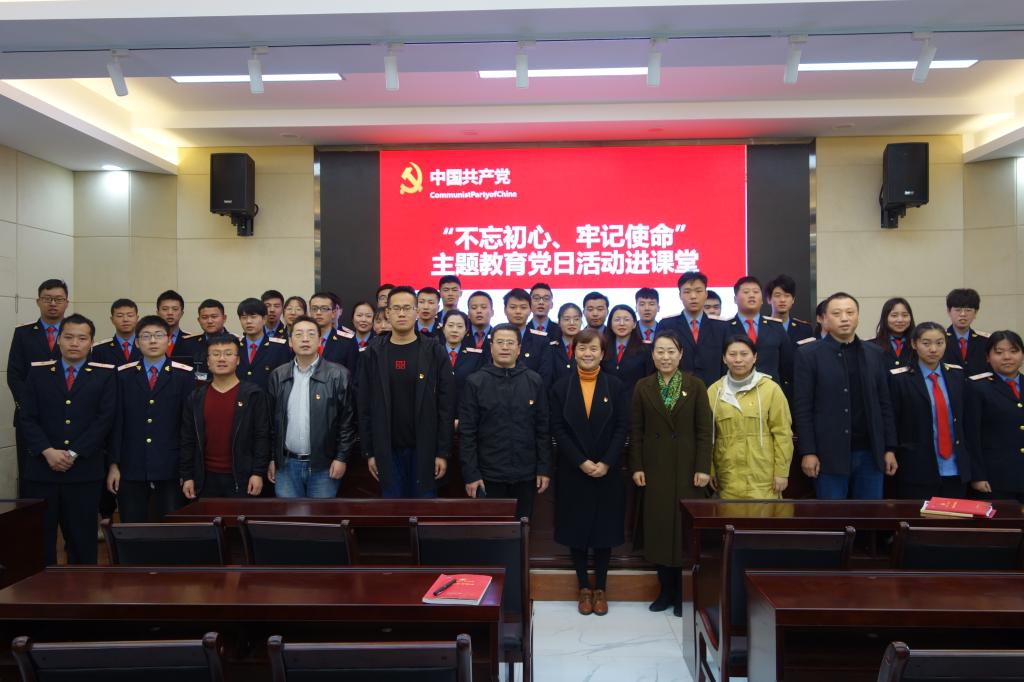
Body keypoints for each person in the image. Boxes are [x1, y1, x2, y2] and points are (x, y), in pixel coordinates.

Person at [18, 313, 116, 564]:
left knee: (83, 542)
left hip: (83, 472)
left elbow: (104, 420)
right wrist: (47, 451)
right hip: (42, 470)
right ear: (58, 339)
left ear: (91, 343)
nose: (74, 343)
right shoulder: (38, 373)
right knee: (39, 542)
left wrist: (73, 453)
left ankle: (82, 589)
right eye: (69, 337)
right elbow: (27, 417)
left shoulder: (104, 376)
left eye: (82, 338)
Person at [629, 330, 712, 616]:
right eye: (660, 351)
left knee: (683, 534)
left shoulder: (695, 385)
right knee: (660, 530)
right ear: (653, 355)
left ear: (681, 355)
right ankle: (665, 591)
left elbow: (705, 431)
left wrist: (703, 467)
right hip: (655, 468)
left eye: (671, 351)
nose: (665, 357)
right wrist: (637, 466)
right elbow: (636, 431)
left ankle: (682, 595)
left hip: (688, 469)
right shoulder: (643, 386)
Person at [549, 328, 628, 616]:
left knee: (604, 530)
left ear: (602, 353)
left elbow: (622, 427)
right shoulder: (561, 387)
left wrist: (606, 462)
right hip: (574, 469)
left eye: (593, 348)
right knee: (577, 528)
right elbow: (558, 429)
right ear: (574, 352)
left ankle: (601, 588)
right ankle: (583, 586)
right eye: (582, 348)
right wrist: (581, 461)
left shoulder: (615, 386)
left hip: (607, 470)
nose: (587, 353)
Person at [793, 292, 898, 500]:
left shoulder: (874, 353)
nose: (844, 318)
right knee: (832, 516)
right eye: (837, 313)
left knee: (869, 515)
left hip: (870, 453)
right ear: (824, 319)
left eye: (850, 312)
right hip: (828, 454)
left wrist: (889, 448)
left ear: (858, 316)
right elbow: (803, 408)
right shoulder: (808, 355)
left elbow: (885, 404)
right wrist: (808, 451)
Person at [357, 286, 454, 498]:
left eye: (407, 308)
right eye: (396, 308)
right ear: (387, 312)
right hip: (387, 449)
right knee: (393, 512)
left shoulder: (434, 351)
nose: (402, 314)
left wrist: (442, 452)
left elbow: (446, 406)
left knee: (424, 511)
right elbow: (364, 406)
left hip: (425, 449)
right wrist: (369, 452)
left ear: (417, 311)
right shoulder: (373, 353)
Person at [459, 324, 551, 518]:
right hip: (488, 475)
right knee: (491, 530)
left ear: (519, 348)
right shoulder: (475, 382)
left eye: (510, 343)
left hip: (526, 474)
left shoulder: (534, 381)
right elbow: (467, 433)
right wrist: (471, 474)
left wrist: (543, 468)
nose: (505, 347)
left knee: (522, 528)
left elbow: (542, 429)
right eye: (500, 342)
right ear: (491, 347)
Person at [108, 315, 192, 522]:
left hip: (170, 466)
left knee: (170, 527)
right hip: (131, 465)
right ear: (137, 342)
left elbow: (188, 426)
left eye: (158, 335)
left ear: (169, 340)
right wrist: (113, 465)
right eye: (146, 336)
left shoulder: (184, 376)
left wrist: (187, 470)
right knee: (132, 527)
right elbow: (116, 424)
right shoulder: (122, 376)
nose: (153, 341)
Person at [267, 316, 356, 498]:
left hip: (324, 466)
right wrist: (272, 458)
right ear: (290, 342)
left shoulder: (338, 375)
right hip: (286, 465)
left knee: (320, 515)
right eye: (299, 334)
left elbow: (347, 422)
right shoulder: (278, 375)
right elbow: (270, 423)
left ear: (320, 340)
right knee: (289, 515)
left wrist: (341, 458)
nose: (305, 339)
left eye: (311, 334)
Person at [179, 334, 270, 499]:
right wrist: (187, 475)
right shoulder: (196, 397)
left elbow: (262, 436)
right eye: (215, 354)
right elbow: (188, 439)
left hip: (242, 478)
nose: (221, 359)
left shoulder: (253, 395)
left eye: (228, 354)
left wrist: (258, 472)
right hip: (205, 478)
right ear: (208, 361)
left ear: (238, 360)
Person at [888, 322, 970, 499]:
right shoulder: (900, 378)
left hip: (955, 466)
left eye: (939, 343)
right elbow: (891, 420)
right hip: (917, 465)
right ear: (914, 344)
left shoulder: (956, 375)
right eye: (926, 343)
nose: (933, 349)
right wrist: (890, 450)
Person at [707, 335, 793, 500]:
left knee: (764, 517)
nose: (738, 360)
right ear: (724, 358)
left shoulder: (771, 389)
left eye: (744, 354)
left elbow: (783, 433)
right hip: (728, 480)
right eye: (732, 354)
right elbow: (708, 436)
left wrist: (782, 472)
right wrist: (710, 469)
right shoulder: (714, 392)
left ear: (754, 357)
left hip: (764, 480)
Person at [7, 279, 68, 495]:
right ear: (38, 301)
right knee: (30, 476)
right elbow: (14, 375)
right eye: (47, 299)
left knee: (64, 473)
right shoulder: (23, 334)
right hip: (30, 417)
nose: (53, 303)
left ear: (66, 303)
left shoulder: (76, 333)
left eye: (58, 299)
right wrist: (30, 407)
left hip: (66, 417)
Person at [965, 330, 1024, 502]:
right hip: (995, 478)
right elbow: (971, 435)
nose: (1007, 357)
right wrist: (977, 475)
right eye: (999, 352)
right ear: (988, 357)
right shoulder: (977, 387)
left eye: (1014, 351)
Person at [656, 271, 729, 388]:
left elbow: (727, 361)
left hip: (714, 390)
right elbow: (658, 360)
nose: (693, 296)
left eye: (698, 291)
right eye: (687, 292)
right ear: (680, 295)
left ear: (706, 294)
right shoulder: (666, 325)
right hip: (676, 390)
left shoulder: (721, 327)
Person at [727, 276, 793, 391]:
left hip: (769, 391)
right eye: (746, 292)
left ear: (762, 299)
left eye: (756, 292)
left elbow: (787, 365)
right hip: (734, 391)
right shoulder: (724, 327)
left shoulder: (776, 327)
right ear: (735, 299)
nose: (752, 295)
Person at [236, 298, 292, 390]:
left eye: (253, 317)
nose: (248, 321)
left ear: (264, 319)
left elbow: (283, 381)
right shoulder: (235, 346)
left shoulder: (279, 347)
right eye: (244, 317)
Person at [602, 304, 653, 398]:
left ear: (634, 324)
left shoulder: (645, 349)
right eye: (617, 319)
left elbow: (649, 379)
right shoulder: (603, 347)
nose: (621, 323)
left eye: (626, 319)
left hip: (634, 401)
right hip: (607, 401)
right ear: (610, 324)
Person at [442, 310, 483, 413]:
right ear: (443, 328)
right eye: (450, 325)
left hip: (465, 413)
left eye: (460, 326)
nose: (454, 330)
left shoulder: (475, 356)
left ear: (466, 331)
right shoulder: (434, 353)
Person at [504, 288, 550, 379]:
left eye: (523, 307)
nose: (518, 311)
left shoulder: (541, 341)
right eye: (513, 307)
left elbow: (545, 375)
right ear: (505, 310)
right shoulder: (494, 338)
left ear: (530, 310)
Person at [943, 288, 990, 375]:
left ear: (975, 313)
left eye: (968, 310)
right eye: (958, 310)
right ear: (949, 311)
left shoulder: (986, 341)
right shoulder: (940, 339)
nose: (963, 314)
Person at [184, 299, 238, 374]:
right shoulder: (189, 344)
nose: (209, 321)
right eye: (204, 317)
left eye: (214, 317)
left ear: (224, 318)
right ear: (199, 320)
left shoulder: (235, 342)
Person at [309, 292, 357, 376]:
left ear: (334, 313)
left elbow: (353, 375)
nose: (318, 312)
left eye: (324, 308)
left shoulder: (347, 341)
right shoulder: (304, 339)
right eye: (314, 308)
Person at [765, 274, 813, 345]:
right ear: (769, 299)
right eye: (777, 295)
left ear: (793, 300)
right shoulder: (761, 327)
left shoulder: (805, 329)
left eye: (787, 296)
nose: (782, 300)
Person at [91, 298, 141, 366]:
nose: (125, 319)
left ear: (137, 318)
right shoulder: (99, 349)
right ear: (112, 320)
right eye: (120, 316)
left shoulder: (146, 346)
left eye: (130, 315)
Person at [871, 297, 915, 369]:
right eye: (894, 315)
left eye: (905, 315)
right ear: (885, 318)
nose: (900, 320)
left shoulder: (918, 345)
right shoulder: (871, 346)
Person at [548, 303, 582, 385]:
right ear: (559, 322)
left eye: (576, 319)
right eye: (566, 319)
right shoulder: (550, 348)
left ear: (581, 322)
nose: (572, 323)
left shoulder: (587, 348)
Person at [156, 289, 195, 359]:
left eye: (175, 309)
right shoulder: (148, 340)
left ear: (182, 313)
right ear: (158, 313)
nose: (170, 313)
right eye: (165, 309)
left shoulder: (192, 341)